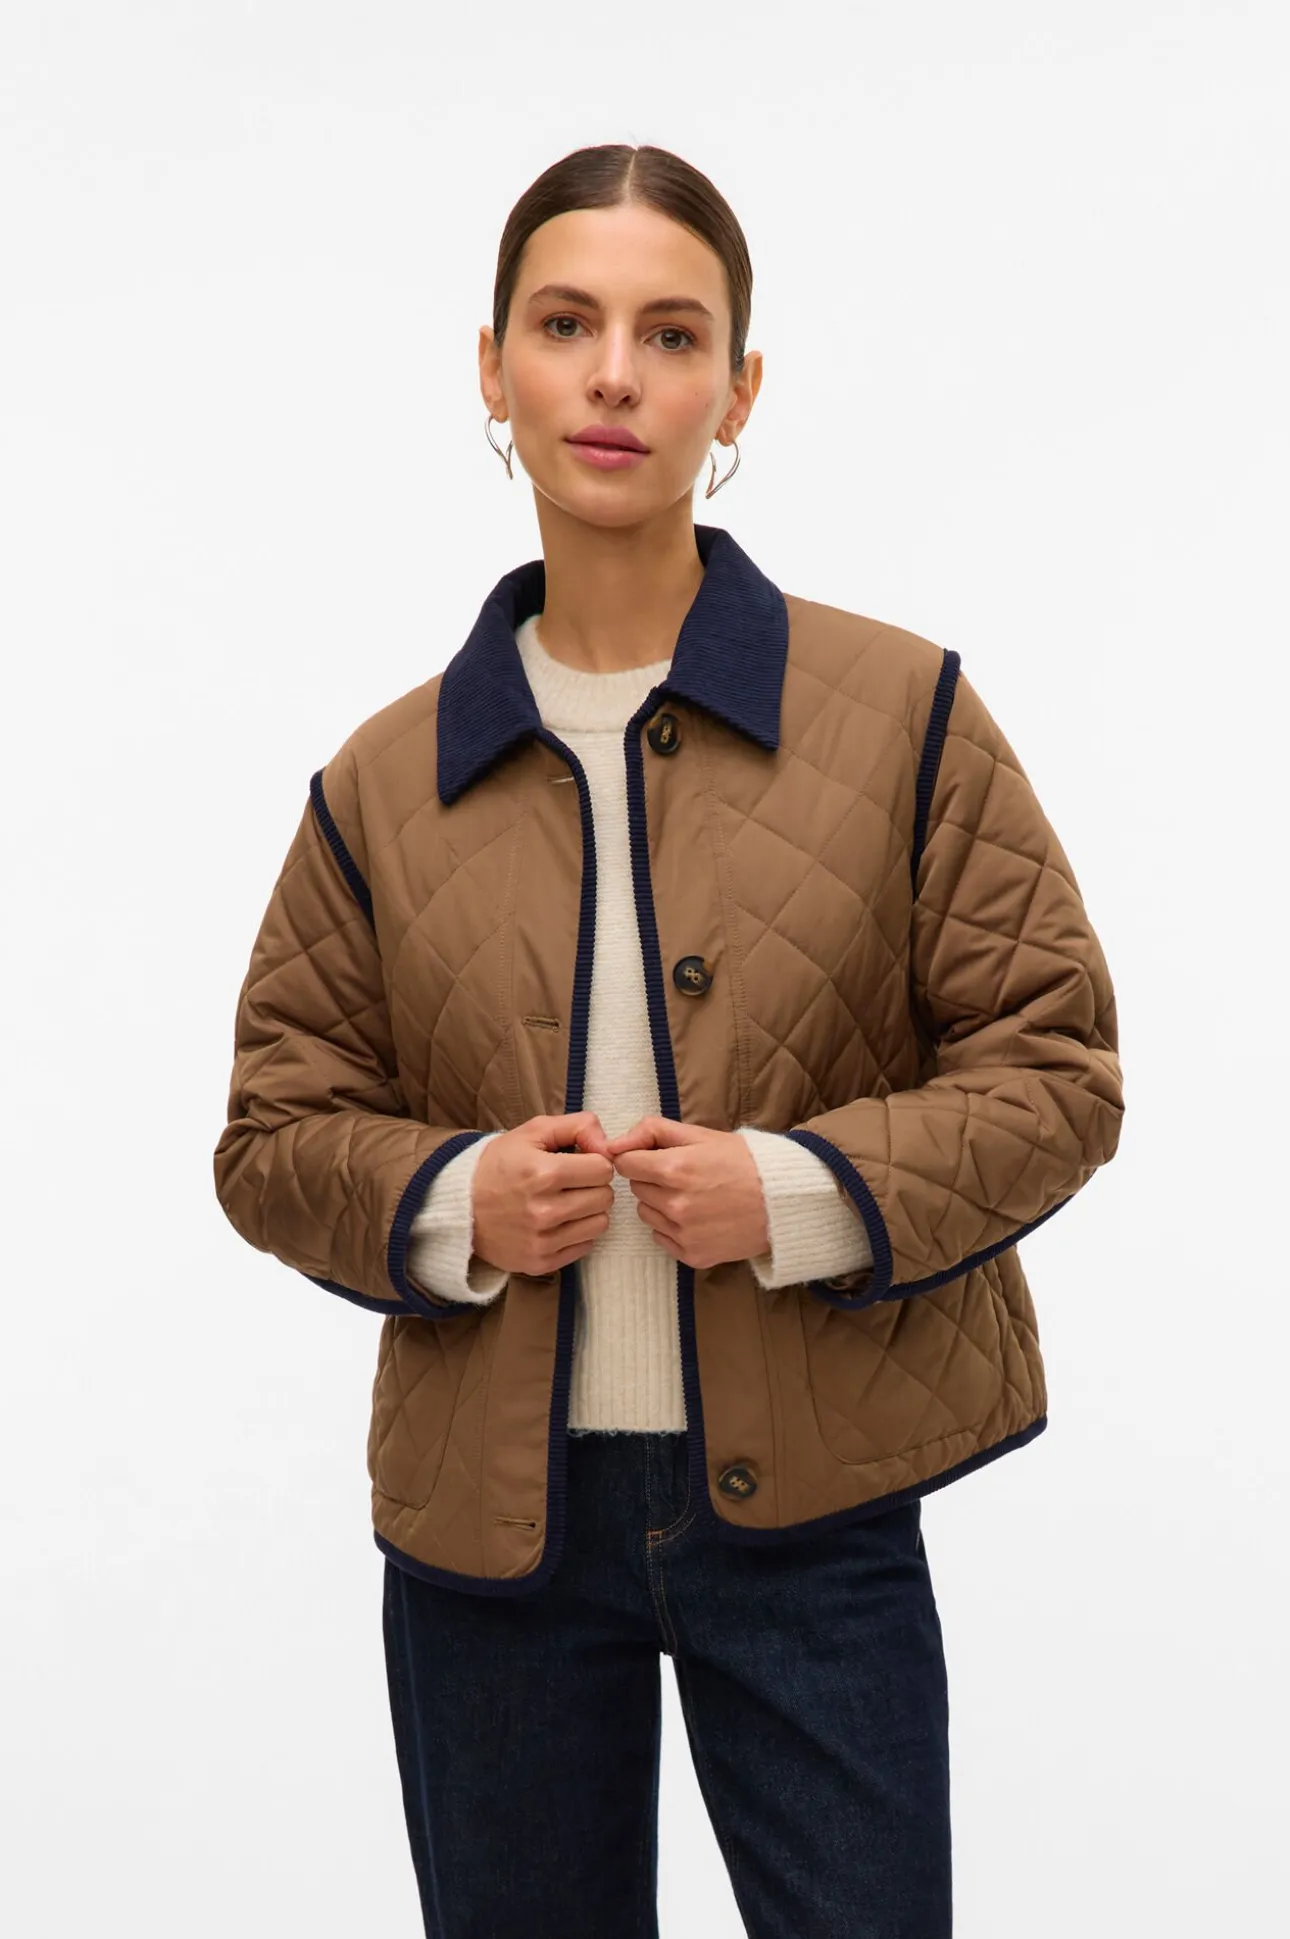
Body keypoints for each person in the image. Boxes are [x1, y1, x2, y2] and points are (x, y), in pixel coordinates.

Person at [213, 142, 1124, 1939]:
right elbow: (273, 1133)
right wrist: (456, 1197)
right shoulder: (383, 781)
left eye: (672, 333)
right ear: (493, 371)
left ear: (740, 390)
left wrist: (799, 1191)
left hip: (819, 1512)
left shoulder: (905, 714)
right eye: (566, 325)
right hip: (493, 1538)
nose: (615, 375)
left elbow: (1057, 1069)